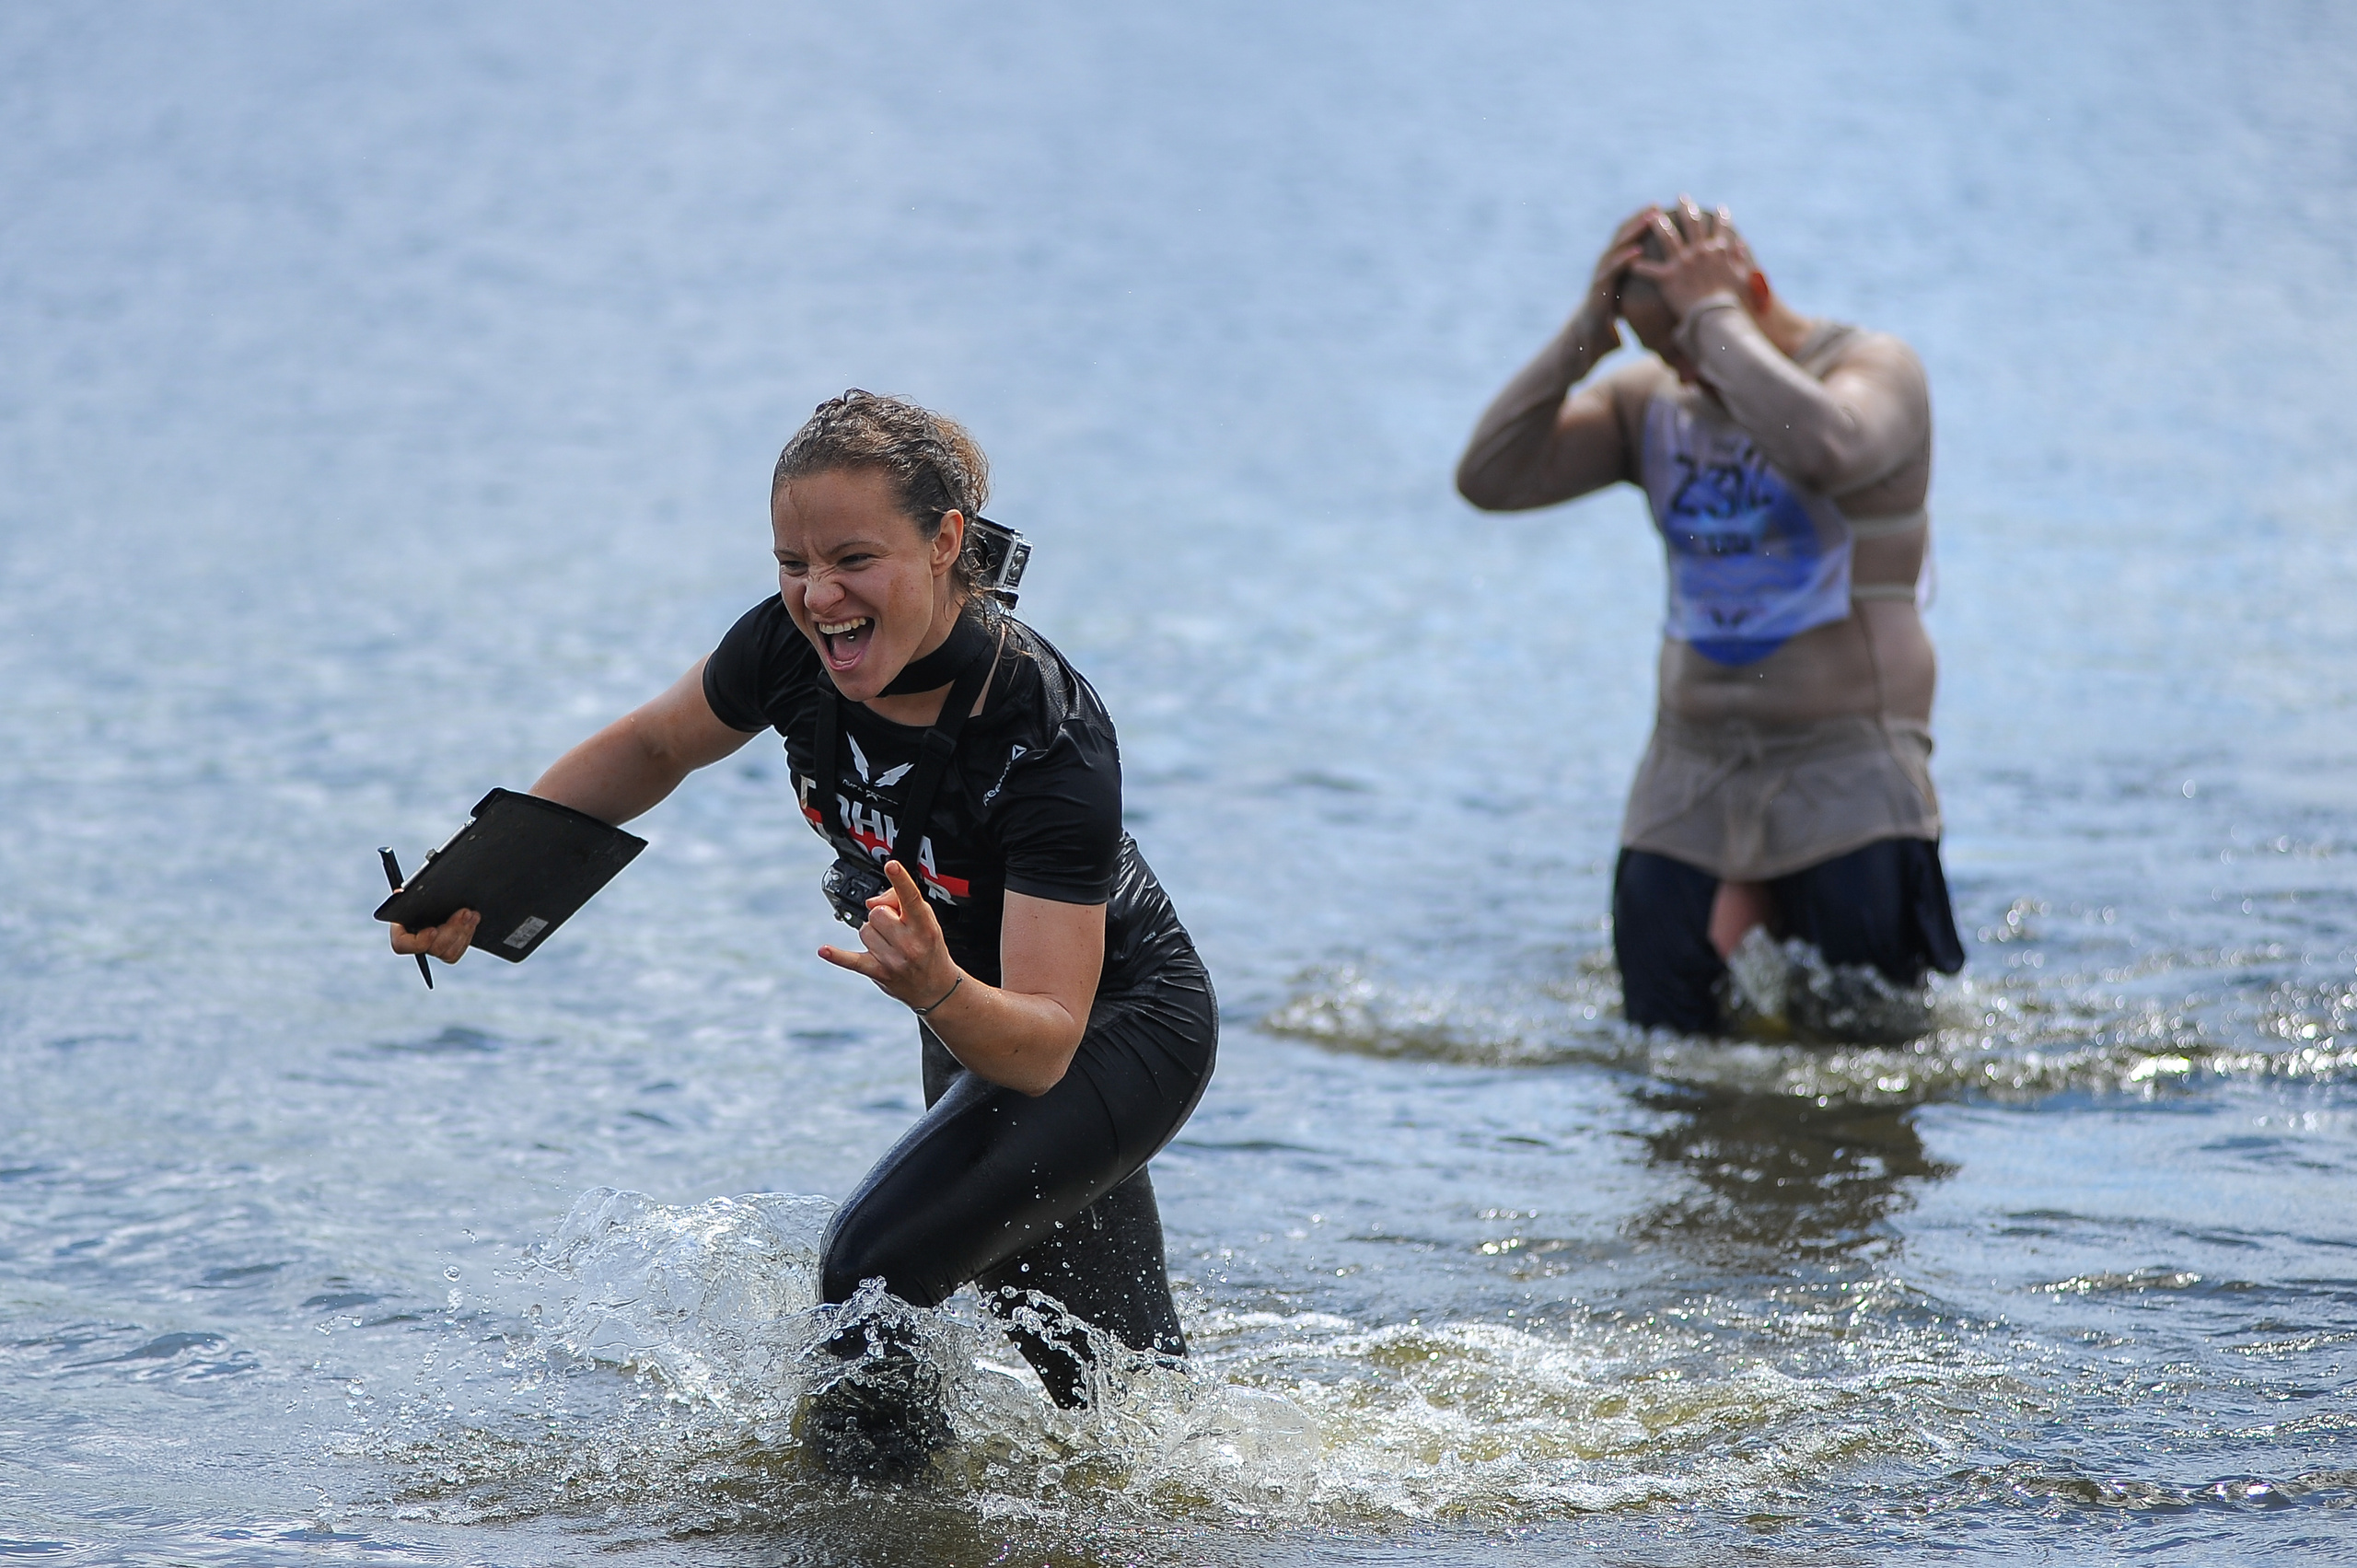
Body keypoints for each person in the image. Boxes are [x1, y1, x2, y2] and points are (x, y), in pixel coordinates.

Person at [392, 390, 1216, 1472]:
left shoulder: (1044, 730)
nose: (819, 597)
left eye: (853, 559)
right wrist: (490, 877)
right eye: (793, 561)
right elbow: (653, 745)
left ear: (945, 542)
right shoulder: (790, 647)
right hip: (961, 1003)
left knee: (871, 1267)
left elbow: (1052, 1038)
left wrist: (936, 992)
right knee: (1116, 1402)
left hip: (1109, 1027)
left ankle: (866, 1534)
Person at [1456, 198, 1964, 1038]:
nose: (1685, 374)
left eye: (1687, 348)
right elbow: (1489, 478)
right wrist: (1589, 332)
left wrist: (1714, 320)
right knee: (1664, 1050)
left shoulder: (1874, 372)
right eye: (1664, 353)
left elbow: (1827, 449)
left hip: (1846, 776)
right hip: (1689, 779)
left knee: (1864, 1052)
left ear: (1749, 290)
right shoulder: (1651, 401)